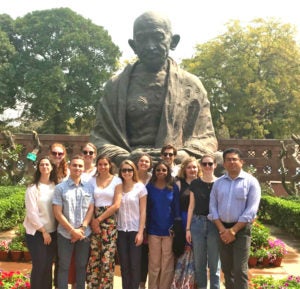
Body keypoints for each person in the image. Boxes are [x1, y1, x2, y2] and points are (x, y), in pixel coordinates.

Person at [90, 11, 217, 165]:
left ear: (173, 41)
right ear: (133, 45)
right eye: (142, 39)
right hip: (130, 161)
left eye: (158, 38)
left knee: (222, 160)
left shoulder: (191, 85)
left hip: (174, 161)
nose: (150, 46)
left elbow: (206, 139)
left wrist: (179, 155)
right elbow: (99, 139)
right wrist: (125, 157)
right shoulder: (115, 86)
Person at [209, 148, 261, 289]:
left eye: (234, 159)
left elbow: (251, 210)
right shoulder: (218, 183)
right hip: (222, 229)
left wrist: (233, 231)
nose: (231, 162)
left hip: (241, 230)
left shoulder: (251, 182)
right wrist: (222, 230)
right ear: (224, 163)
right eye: (228, 160)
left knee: (240, 269)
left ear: (241, 162)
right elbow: (213, 208)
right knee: (227, 269)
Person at [52, 155, 94, 289]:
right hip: (65, 234)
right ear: (70, 167)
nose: (77, 168)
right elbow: (57, 213)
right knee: (63, 266)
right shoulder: (60, 188)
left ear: (83, 168)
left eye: (80, 166)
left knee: (81, 266)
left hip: (84, 234)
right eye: (75, 165)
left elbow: (90, 209)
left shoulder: (89, 187)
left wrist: (82, 228)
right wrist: (72, 231)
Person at [86, 155, 122, 289]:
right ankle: (93, 286)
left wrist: (99, 220)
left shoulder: (116, 181)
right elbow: (89, 203)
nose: (103, 167)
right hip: (93, 218)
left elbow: (116, 204)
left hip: (109, 222)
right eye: (100, 164)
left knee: (107, 258)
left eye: (105, 164)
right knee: (95, 256)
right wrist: (92, 222)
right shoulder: (91, 181)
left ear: (110, 165)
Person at [23, 156, 58, 289]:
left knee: (48, 266)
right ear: (38, 168)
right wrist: (43, 231)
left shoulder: (56, 186)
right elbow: (32, 214)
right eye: (42, 164)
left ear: (51, 167)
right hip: (37, 233)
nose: (44, 167)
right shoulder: (32, 188)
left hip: (52, 232)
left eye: (47, 164)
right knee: (39, 265)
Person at [186, 155, 221, 289]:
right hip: (197, 224)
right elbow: (191, 206)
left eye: (210, 164)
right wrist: (188, 229)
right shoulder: (195, 183)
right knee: (199, 264)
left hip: (214, 224)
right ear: (201, 165)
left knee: (214, 264)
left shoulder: (220, 183)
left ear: (215, 165)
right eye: (204, 164)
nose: (207, 167)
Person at [146, 160, 180, 289]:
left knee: (167, 264)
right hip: (153, 230)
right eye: (158, 170)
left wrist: (175, 227)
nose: (161, 172)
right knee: (154, 264)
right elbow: (147, 210)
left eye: (164, 170)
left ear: (168, 172)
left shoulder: (173, 187)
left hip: (169, 230)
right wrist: (146, 228)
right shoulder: (149, 187)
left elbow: (176, 209)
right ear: (154, 172)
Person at [171, 156, 201, 289]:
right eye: (189, 167)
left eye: (194, 167)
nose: (192, 169)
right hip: (182, 222)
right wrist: (179, 226)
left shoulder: (202, 183)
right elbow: (175, 205)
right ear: (184, 169)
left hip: (199, 222)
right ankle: (180, 284)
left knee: (197, 255)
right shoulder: (178, 184)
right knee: (182, 253)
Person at [116, 160, 147, 289]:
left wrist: (140, 232)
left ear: (133, 171)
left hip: (135, 230)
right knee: (124, 265)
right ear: (121, 172)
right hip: (121, 230)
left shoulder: (140, 187)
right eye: (124, 170)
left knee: (135, 265)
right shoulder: (117, 188)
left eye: (129, 170)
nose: (127, 172)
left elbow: (143, 211)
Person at [136, 153, 153, 289]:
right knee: (136, 253)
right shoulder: (130, 176)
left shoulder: (153, 179)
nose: (144, 163)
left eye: (146, 161)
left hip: (151, 221)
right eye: (141, 161)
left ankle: (142, 283)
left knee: (146, 254)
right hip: (133, 220)